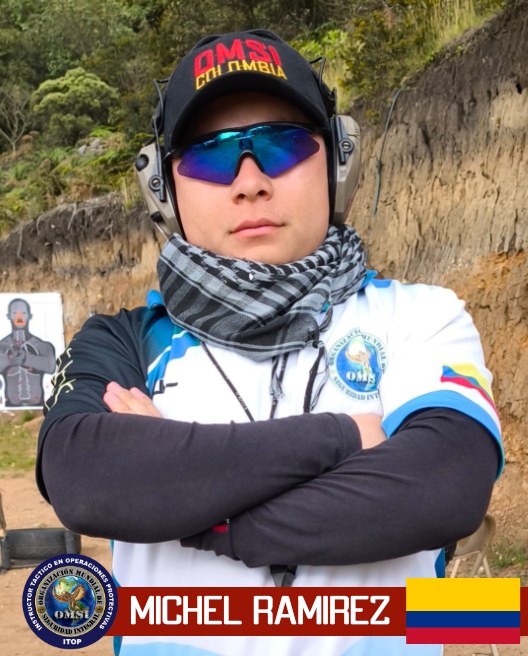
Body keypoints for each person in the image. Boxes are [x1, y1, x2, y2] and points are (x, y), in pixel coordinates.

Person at [36, 29, 502, 656]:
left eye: (282, 145)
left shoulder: (423, 315)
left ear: (337, 162)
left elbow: (441, 490)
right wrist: (346, 437)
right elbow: (88, 480)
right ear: (164, 192)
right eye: (210, 156)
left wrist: (188, 501)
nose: (250, 182)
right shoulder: (120, 341)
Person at [0, 297, 56, 407]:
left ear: (30, 316)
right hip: (10, 405)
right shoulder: (2, 345)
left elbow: (51, 367)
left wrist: (27, 359)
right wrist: (9, 359)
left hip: (38, 404)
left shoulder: (43, 345)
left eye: (23, 313)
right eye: (14, 313)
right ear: (8, 316)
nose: (19, 317)